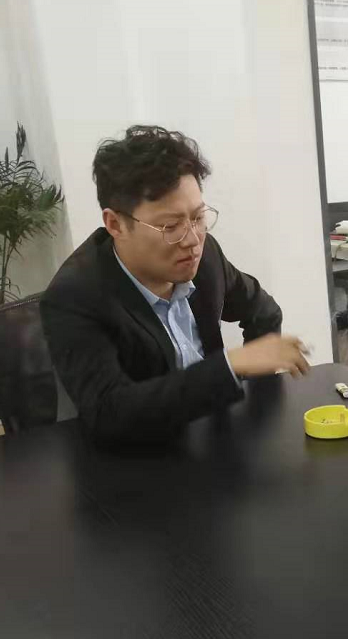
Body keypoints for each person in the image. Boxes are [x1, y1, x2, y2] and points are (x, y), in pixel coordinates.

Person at [41, 126, 309, 446]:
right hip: (128, 459)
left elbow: (263, 311)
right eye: (170, 226)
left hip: (210, 446)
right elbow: (109, 411)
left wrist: (256, 394)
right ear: (115, 224)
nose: (192, 240)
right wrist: (230, 366)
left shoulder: (204, 257)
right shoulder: (75, 297)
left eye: (198, 217)